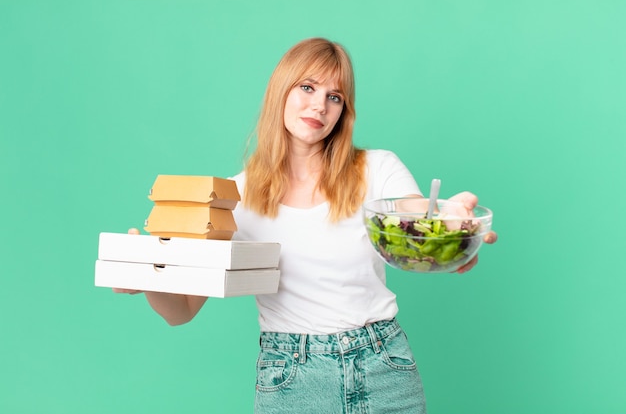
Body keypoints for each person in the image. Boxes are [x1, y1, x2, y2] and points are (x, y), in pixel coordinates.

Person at [116, 37, 497, 413]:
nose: (320, 105)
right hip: (291, 378)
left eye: (335, 96)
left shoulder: (378, 169)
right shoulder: (237, 196)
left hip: (384, 366)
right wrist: (149, 276)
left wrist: (456, 225)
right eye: (308, 87)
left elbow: (417, 219)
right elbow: (181, 310)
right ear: (281, 89)